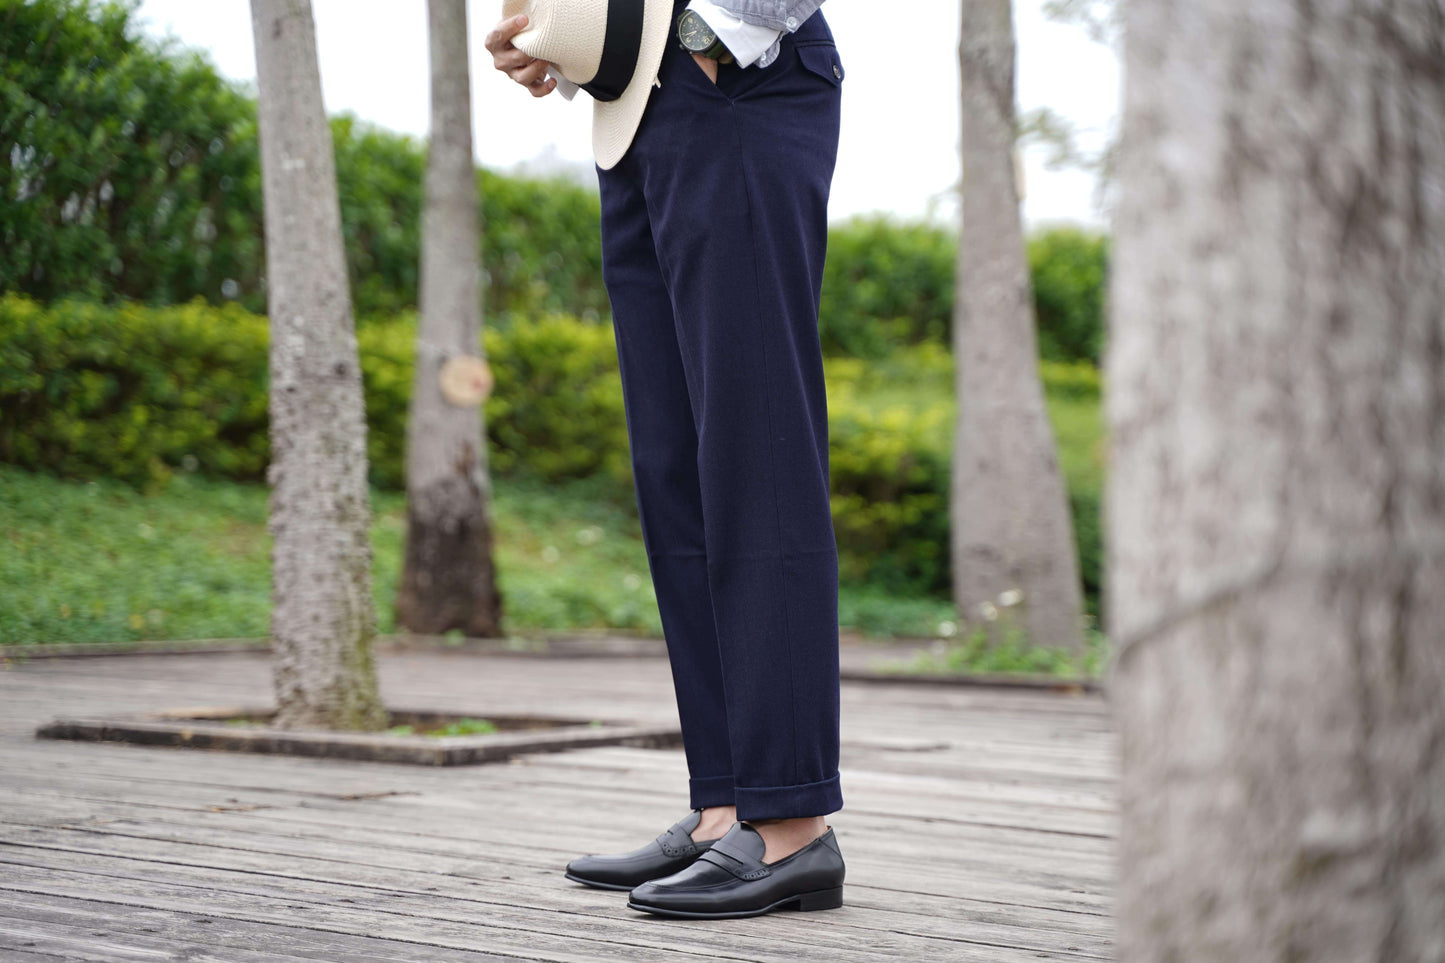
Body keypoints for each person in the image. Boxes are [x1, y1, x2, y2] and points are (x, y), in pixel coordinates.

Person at [485, 0, 846, 919]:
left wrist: (706, 38)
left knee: (756, 453)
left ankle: (791, 819)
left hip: (740, 77)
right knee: (675, 466)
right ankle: (726, 801)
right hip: (639, 106)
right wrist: (559, 44)